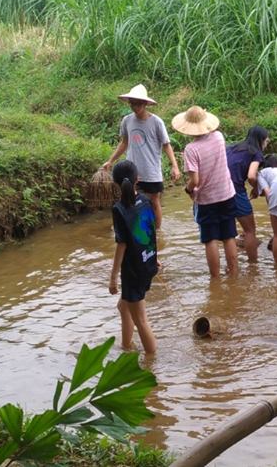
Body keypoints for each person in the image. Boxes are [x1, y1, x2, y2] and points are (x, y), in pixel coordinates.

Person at [102, 84, 181, 230]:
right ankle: (133, 229)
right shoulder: (127, 120)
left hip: (151, 170)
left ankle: (157, 233)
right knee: (130, 199)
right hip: (132, 170)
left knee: (154, 201)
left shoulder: (156, 122)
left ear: (145, 104)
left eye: (138, 103)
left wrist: (175, 166)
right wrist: (111, 160)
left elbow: (166, 145)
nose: (135, 107)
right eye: (132, 103)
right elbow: (124, 142)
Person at [173, 105, 238, 278]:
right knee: (229, 235)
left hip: (207, 199)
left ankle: (215, 278)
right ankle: (234, 273)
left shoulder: (191, 149)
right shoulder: (219, 137)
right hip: (226, 193)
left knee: (210, 239)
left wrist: (187, 189)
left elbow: (195, 181)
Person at [108, 160, 158, 354]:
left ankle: (152, 363)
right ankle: (126, 346)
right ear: (138, 179)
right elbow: (150, 231)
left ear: (115, 183)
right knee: (123, 306)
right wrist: (153, 257)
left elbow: (122, 245)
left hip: (133, 271)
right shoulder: (145, 200)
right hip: (148, 263)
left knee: (142, 321)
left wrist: (113, 278)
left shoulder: (119, 209)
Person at [226, 125, 268, 263]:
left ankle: (231, 268)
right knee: (250, 231)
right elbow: (251, 176)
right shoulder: (256, 153)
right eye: (266, 141)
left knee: (228, 233)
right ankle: (253, 266)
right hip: (236, 191)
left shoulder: (231, 148)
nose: (266, 144)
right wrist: (256, 188)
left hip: (220, 190)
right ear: (261, 140)